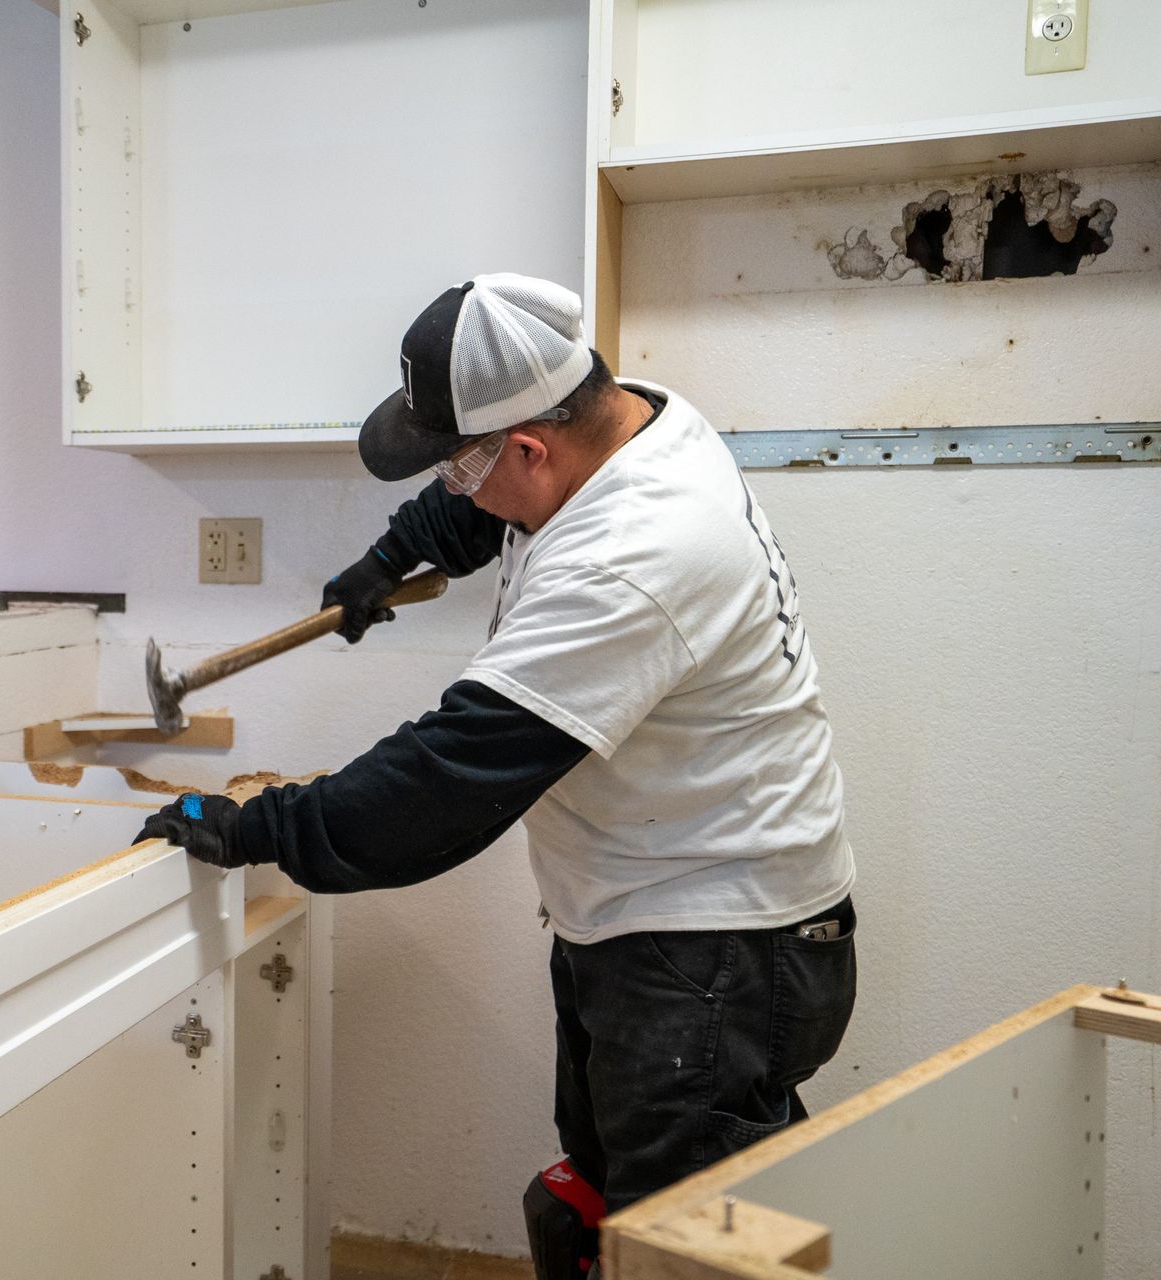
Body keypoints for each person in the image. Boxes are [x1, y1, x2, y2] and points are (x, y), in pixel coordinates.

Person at [135, 274, 857, 1277]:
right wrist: (389, 560)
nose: (454, 491)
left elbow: (443, 786)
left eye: (454, 468)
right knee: (603, 1209)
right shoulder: (630, 418)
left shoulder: (633, 557)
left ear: (526, 444)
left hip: (713, 953)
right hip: (655, 917)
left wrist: (253, 824)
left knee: (681, 1253)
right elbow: (493, 511)